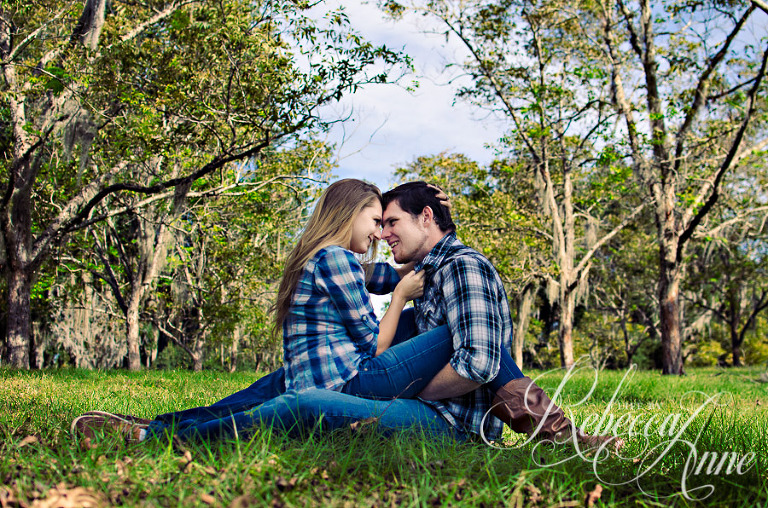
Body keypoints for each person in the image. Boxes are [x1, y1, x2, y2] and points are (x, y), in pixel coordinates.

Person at [73, 181, 617, 450]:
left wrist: (402, 389)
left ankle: (162, 439)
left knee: (304, 400)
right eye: (376, 223)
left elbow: (479, 361)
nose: (382, 235)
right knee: (282, 381)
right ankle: (155, 428)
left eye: (391, 223)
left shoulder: (462, 269)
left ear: (426, 218)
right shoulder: (415, 273)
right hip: (408, 392)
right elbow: (375, 280)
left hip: (448, 425)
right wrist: (391, 288)